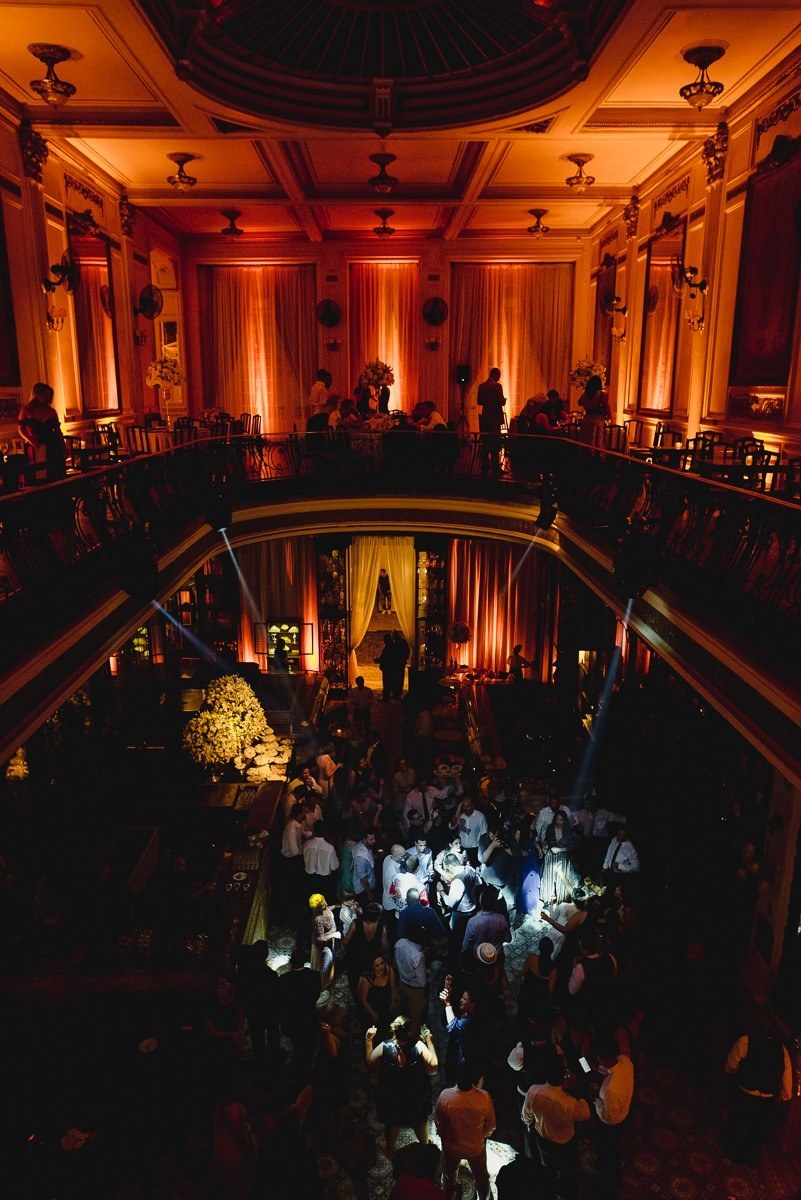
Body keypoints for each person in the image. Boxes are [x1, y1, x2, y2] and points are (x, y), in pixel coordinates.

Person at [521, 1045, 591, 1199]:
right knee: (569, 1172)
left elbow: (525, 1116)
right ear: (563, 1076)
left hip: (544, 1140)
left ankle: (550, 1192)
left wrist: (532, 1125)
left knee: (548, 1169)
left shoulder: (534, 1091)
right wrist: (577, 1091)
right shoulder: (570, 1101)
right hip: (566, 1143)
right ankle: (569, 1194)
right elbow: (585, 1115)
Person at [724, 1012, 793, 1166]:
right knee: (758, 1129)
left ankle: (733, 1151)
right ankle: (751, 1157)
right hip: (767, 1099)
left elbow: (732, 1064)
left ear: (754, 1028)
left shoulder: (745, 1041)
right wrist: (785, 1095)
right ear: (770, 1032)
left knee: (738, 1121)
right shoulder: (782, 1050)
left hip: (746, 1092)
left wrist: (730, 1074)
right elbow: (786, 1075)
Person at [367, 1014, 439, 1155]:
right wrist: (429, 1042)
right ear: (410, 1032)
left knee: (392, 1122)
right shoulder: (419, 1046)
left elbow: (371, 1064)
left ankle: (390, 1150)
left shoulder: (384, 1046)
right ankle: (424, 1146)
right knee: (420, 1120)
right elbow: (433, 1069)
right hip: (415, 1095)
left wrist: (368, 1040)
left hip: (391, 1095)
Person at [435, 1062, 496, 1200]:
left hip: (451, 1147)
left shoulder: (445, 1096)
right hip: (475, 1148)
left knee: (449, 1175)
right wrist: (482, 1136)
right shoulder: (484, 1098)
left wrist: (444, 1137)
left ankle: (449, 1195)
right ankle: (484, 1197)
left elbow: (439, 1122)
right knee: (481, 1176)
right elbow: (491, 1126)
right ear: (475, 1079)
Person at [592, 1032, 635, 1198]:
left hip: (612, 1123)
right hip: (625, 1112)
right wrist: (596, 1068)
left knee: (607, 1152)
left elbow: (608, 1118)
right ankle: (615, 1175)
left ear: (600, 1058)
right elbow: (612, 1071)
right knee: (615, 1149)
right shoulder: (625, 1060)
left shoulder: (609, 1090)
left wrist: (596, 1100)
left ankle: (608, 1186)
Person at [277, 948, 322, 1079]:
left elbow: (282, 1003)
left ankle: (300, 1072)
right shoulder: (314, 976)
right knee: (311, 1047)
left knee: (298, 1048)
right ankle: (308, 1071)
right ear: (305, 961)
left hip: (293, 1021)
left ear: (291, 962)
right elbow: (315, 996)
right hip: (310, 1019)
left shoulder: (284, 979)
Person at [18, 382, 66, 482]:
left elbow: (58, 431)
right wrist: (29, 439)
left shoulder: (51, 411)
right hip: (36, 445)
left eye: (49, 395)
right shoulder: (26, 410)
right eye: (45, 395)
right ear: (37, 395)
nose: (47, 398)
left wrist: (64, 446)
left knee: (55, 474)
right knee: (39, 474)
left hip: (52, 444)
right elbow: (20, 429)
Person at [394, 934, 429, 1040]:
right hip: (416, 990)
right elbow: (422, 982)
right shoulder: (418, 956)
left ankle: (399, 1032)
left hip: (402, 982)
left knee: (403, 1009)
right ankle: (411, 1038)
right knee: (415, 1017)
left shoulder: (400, 943)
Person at [357, 952, 398, 1039]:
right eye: (377, 965)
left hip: (386, 1005)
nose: (381, 967)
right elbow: (363, 1000)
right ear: (372, 967)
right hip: (373, 1008)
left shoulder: (388, 970)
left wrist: (393, 1003)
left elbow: (392, 987)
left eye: (382, 963)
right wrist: (373, 1014)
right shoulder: (365, 979)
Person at [477, 366, 506, 476]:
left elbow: (479, 402)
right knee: (495, 445)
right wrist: (504, 400)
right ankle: (495, 468)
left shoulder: (481, 386)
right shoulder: (497, 386)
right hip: (495, 419)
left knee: (486, 444)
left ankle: (484, 467)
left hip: (485, 419)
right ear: (496, 375)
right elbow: (501, 402)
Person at [309, 893, 340, 989]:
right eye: (323, 904)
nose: (326, 904)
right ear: (318, 909)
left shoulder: (324, 909)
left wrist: (335, 906)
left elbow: (327, 909)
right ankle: (321, 986)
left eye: (324, 901)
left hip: (330, 941)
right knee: (324, 968)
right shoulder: (318, 919)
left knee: (329, 964)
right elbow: (319, 938)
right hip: (325, 947)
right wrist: (333, 935)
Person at [303, 820, 340, 900]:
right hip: (324, 880)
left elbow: (305, 859)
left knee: (311, 900)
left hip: (310, 878)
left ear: (314, 830)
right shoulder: (330, 848)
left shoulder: (307, 844)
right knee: (324, 901)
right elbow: (334, 867)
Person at [578, 373, 610, 448]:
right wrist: (608, 415)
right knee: (596, 442)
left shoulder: (585, 394)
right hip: (596, 420)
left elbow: (579, 402)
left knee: (586, 440)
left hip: (586, 419)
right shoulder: (600, 394)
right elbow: (606, 406)